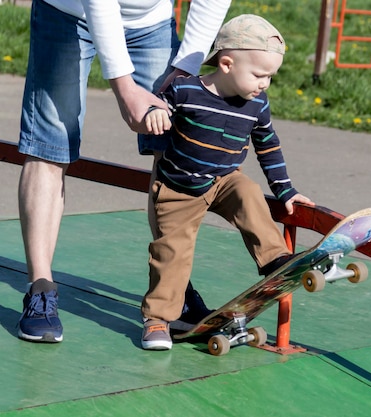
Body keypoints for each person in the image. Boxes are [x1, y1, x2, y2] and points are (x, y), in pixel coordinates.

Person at [16, 0, 231, 343]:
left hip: (151, 22)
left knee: (174, 147)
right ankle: (40, 289)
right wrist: (124, 88)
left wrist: (186, 67)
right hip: (68, 12)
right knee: (50, 143)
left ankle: (171, 290)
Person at [140, 14, 315, 350]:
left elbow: (268, 146)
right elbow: (156, 109)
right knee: (172, 252)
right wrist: (154, 113)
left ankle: (274, 259)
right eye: (259, 74)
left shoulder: (257, 105)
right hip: (179, 190)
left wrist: (285, 190)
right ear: (226, 63)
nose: (264, 83)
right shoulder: (185, 89)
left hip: (223, 181)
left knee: (248, 192)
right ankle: (157, 320)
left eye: (270, 77)